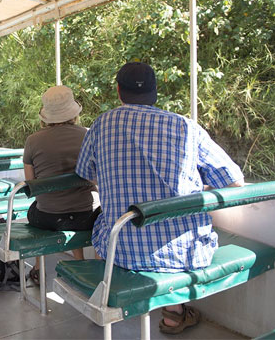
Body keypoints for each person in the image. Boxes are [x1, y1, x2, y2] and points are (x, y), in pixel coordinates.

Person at [76, 61, 244, 334]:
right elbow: (235, 183)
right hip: (185, 253)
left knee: (104, 221)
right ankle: (173, 315)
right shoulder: (186, 127)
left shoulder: (101, 125)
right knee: (176, 226)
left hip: (122, 249)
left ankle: (106, 295)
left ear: (119, 91)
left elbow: (87, 174)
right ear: (155, 92)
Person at [23, 85, 100, 286]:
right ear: (73, 112)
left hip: (47, 218)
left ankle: (38, 268)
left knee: (35, 209)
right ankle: (80, 262)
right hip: (85, 217)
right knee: (80, 208)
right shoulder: (88, 135)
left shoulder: (33, 141)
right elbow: (97, 178)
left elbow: (31, 186)